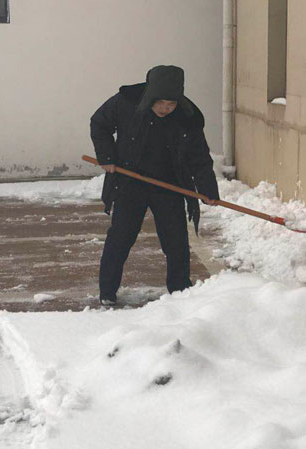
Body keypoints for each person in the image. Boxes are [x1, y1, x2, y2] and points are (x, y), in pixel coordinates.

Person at [90, 65, 220, 306]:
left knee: (176, 240)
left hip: (169, 186)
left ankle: (180, 291)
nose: (165, 109)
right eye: (160, 103)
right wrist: (106, 156)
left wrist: (208, 189)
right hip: (130, 182)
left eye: (171, 105)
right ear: (150, 97)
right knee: (121, 237)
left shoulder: (187, 117)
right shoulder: (125, 102)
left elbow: (199, 157)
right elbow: (99, 123)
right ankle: (107, 292)